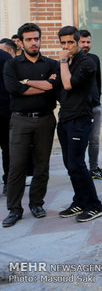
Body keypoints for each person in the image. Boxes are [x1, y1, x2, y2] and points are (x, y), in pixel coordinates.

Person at [2, 23, 59, 227]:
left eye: (36, 38)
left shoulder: (51, 64)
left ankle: (37, 203)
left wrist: (26, 82)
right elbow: (13, 88)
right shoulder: (12, 65)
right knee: (16, 166)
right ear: (21, 42)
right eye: (29, 39)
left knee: (42, 165)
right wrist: (44, 86)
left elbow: (55, 87)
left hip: (45, 119)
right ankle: (14, 209)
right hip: (20, 120)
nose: (34, 42)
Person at [56, 26, 102, 222]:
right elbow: (56, 86)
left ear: (78, 42)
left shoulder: (87, 62)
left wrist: (61, 61)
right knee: (70, 164)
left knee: (77, 162)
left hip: (80, 118)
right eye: (63, 43)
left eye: (70, 42)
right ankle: (80, 200)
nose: (67, 46)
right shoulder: (67, 63)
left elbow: (68, 84)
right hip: (65, 117)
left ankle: (94, 204)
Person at [78, 30, 102, 180]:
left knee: (94, 140)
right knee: (79, 140)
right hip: (78, 108)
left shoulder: (94, 59)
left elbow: (97, 81)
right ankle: (79, 168)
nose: (86, 45)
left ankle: (94, 167)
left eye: (88, 42)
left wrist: (97, 97)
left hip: (95, 106)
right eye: (83, 42)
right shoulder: (70, 60)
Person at [0, 41, 14, 195]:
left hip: (4, 109)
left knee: (7, 148)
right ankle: (8, 183)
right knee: (7, 148)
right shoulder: (5, 57)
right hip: (5, 110)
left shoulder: (4, 57)